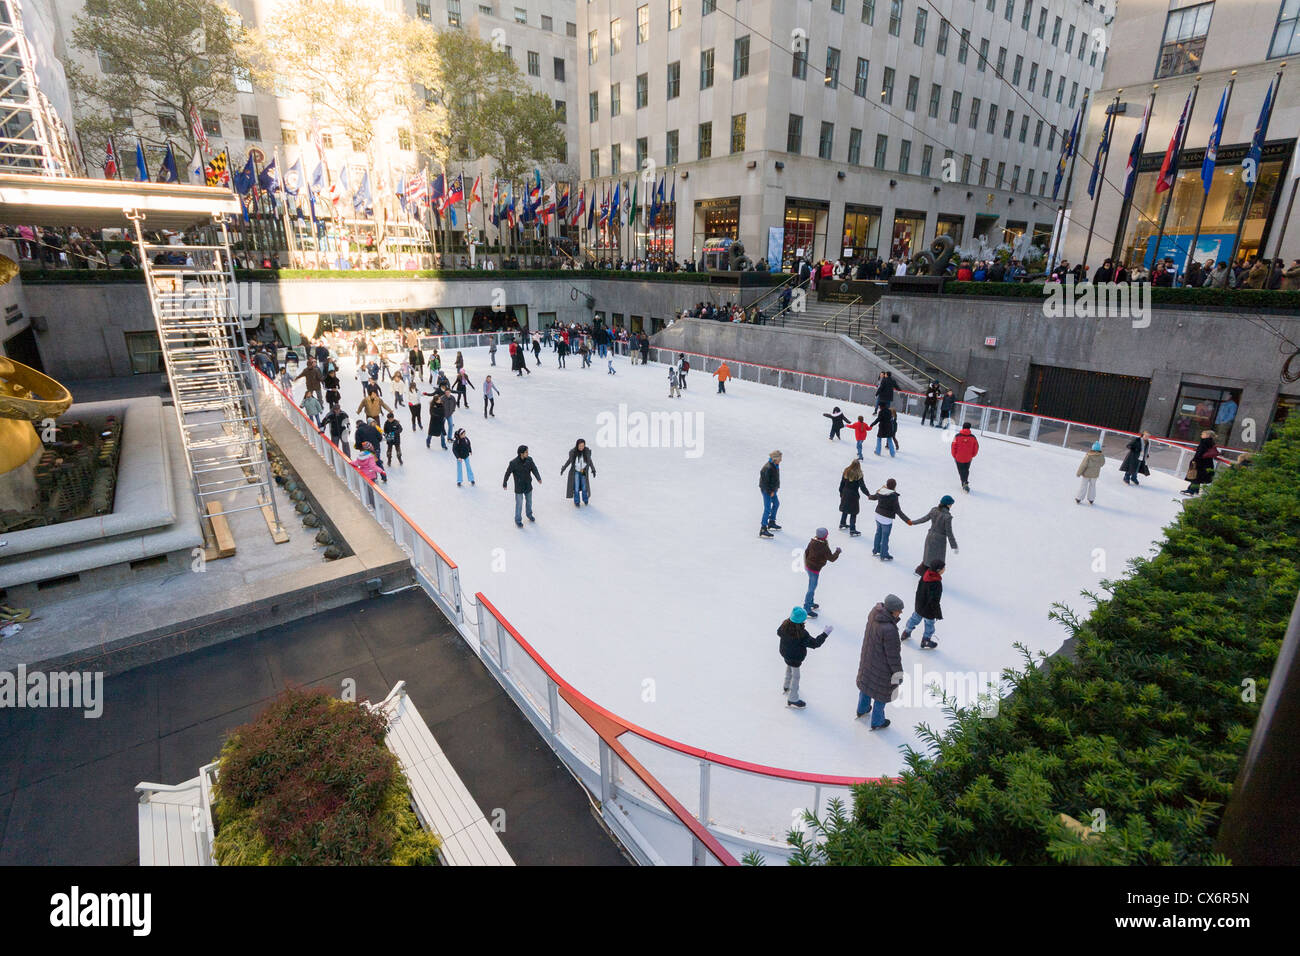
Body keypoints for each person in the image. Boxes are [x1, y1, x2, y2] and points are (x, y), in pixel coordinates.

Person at [855, 594, 906, 730]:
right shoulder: (889, 630)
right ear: (891, 610)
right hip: (882, 668)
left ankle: (862, 709)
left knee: (866, 685)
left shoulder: (874, 614)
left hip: (868, 659)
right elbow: (893, 656)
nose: (901, 613)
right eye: (899, 610)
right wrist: (898, 673)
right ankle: (878, 721)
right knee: (881, 695)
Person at [778, 607, 832, 710]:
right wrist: (825, 634)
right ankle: (792, 698)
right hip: (795, 657)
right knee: (796, 676)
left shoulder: (784, 626)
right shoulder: (801, 634)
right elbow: (815, 643)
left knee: (789, 667)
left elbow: (778, 632)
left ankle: (786, 685)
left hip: (785, 654)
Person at [903, 560, 945, 650]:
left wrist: (918, 603)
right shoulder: (936, 583)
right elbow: (935, 600)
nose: (944, 570)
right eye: (943, 568)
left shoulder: (925, 575)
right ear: (938, 570)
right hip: (929, 609)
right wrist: (938, 613)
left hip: (919, 605)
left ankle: (906, 632)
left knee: (914, 618)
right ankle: (926, 640)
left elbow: (919, 590)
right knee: (929, 624)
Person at [911, 495, 958, 573]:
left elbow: (924, 519)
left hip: (930, 537)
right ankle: (929, 577)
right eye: (951, 504)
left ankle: (920, 571)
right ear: (947, 505)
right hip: (939, 541)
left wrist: (913, 522)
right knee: (937, 562)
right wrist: (954, 546)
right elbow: (949, 533)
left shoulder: (934, 510)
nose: (951, 506)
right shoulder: (947, 517)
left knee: (928, 557)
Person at [867, 478, 911, 561]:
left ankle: (876, 550)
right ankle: (884, 554)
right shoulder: (893, 496)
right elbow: (898, 510)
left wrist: (870, 497)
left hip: (878, 515)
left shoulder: (881, 491)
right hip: (886, 520)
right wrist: (907, 520)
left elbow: (874, 497)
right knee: (885, 537)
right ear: (894, 486)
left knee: (878, 533)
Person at [802, 528, 841, 619]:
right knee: (811, 588)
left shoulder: (812, 542)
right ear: (824, 536)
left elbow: (806, 552)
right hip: (814, 569)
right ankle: (806, 608)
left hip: (809, 567)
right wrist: (838, 552)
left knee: (812, 586)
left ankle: (810, 603)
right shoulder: (823, 547)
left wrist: (807, 563)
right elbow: (831, 558)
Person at [1182, 429, 1229, 496]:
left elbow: (1201, 452)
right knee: (1198, 477)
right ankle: (1194, 490)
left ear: (1207, 435)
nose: (1201, 435)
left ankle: (1191, 490)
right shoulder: (1210, 442)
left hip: (1200, 462)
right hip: (1206, 462)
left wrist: (1195, 459)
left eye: (1203, 434)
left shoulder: (1205, 442)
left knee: (1196, 476)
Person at [503, 445, 542, 526]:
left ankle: (529, 514)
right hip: (519, 487)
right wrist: (505, 482)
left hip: (528, 485)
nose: (528, 453)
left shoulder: (529, 460)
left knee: (529, 502)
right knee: (519, 504)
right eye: (526, 452)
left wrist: (538, 478)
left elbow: (534, 469)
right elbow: (508, 473)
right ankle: (518, 520)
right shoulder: (513, 463)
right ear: (521, 453)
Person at [560, 438, 596, 507]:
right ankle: (577, 501)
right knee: (576, 487)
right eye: (580, 446)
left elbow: (590, 461)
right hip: (576, 471)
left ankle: (585, 499)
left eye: (583, 446)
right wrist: (563, 468)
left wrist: (593, 469)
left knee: (584, 486)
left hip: (583, 471)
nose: (581, 447)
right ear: (577, 445)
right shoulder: (574, 453)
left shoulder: (586, 452)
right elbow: (568, 461)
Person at [838, 460, 869, 536]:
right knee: (853, 512)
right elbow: (862, 487)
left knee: (845, 509)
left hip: (845, 493)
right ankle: (852, 530)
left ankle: (842, 523)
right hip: (853, 495)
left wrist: (841, 493)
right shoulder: (859, 474)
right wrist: (868, 494)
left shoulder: (846, 471)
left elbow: (842, 483)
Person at [951, 422, 980, 492]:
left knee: (961, 471)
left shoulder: (957, 436)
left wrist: (954, 455)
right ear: (969, 428)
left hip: (958, 457)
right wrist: (972, 455)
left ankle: (964, 483)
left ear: (963, 427)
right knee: (965, 470)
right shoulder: (973, 437)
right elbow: (976, 447)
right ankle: (965, 483)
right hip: (968, 458)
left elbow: (953, 446)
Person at [759, 450, 782, 538]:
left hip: (772, 490)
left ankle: (771, 522)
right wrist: (770, 492)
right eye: (780, 458)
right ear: (775, 458)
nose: (781, 460)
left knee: (776, 504)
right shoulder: (767, 468)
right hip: (767, 491)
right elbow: (764, 482)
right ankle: (763, 529)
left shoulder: (775, 465)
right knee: (767, 509)